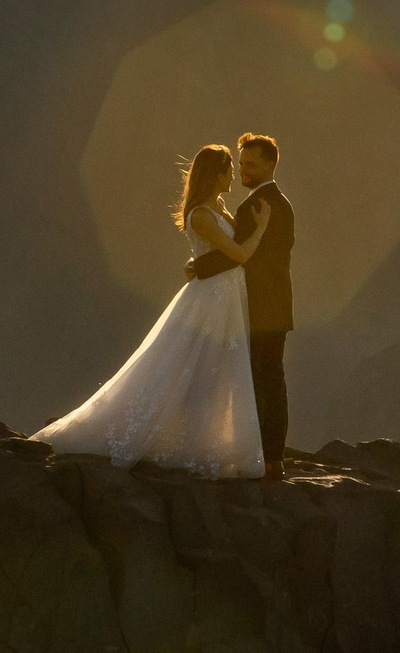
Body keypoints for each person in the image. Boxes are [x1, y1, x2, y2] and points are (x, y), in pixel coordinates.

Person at [33, 144, 273, 477]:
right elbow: (239, 254)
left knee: (214, 369)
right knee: (192, 367)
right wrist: (261, 227)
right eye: (229, 170)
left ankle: (203, 441)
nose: (233, 175)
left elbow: (212, 253)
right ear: (215, 174)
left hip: (223, 296)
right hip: (210, 300)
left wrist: (197, 261)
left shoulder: (215, 208)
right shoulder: (202, 215)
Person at [186, 132, 293, 477]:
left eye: (249, 164)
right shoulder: (277, 202)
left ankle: (266, 456)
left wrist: (199, 266)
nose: (242, 170)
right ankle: (268, 455)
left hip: (260, 307)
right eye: (240, 163)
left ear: (269, 164)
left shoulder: (258, 206)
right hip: (271, 305)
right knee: (266, 377)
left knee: (261, 378)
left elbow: (247, 257)